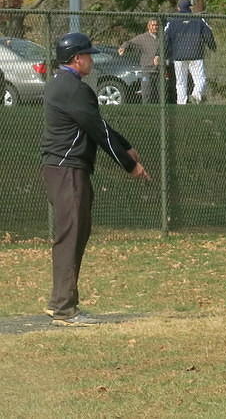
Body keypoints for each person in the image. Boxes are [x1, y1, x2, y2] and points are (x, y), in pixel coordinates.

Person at [41, 33, 151, 326]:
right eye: (87, 55)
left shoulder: (65, 86)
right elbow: (98, 133)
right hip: (68, 171)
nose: (91, 59)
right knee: (71, 236)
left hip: (65, 170)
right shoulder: (73, 89)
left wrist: (126, 145)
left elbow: (98, 123)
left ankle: (62, 303)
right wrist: (130, 165)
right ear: (77, 59)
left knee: (76, 234)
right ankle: (64, 308)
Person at [164, 0, 216, 104]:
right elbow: (208, 34)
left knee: (180, 82)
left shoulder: (172, 21)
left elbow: (166, 38)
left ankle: (181, 103)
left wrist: (164, 53)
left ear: (178, 8)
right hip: (195, 54)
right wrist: (212, 46)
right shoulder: (198, 19)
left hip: (178, 56)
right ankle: (195, 96)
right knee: (200, 79)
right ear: (190, 7)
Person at [118, 19, 161, 103]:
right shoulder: (142, 37)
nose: (155, 27)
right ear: (148, 27)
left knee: (160, 93)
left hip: (159, 70)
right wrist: (123, 47)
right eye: (153, 25)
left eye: (156, 25)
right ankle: (147, 110)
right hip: (147, 69)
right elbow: (129, 42)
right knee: (146, 92)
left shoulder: (161, 37)